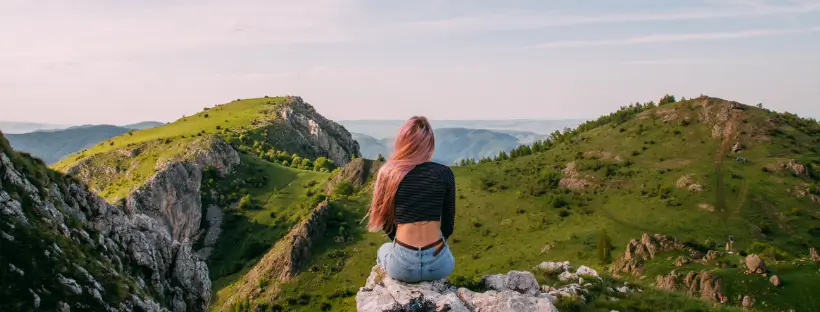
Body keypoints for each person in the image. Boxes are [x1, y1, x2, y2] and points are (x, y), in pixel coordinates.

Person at [367, 116, 456, 283]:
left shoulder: (388, 173)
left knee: (383, 250)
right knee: (445, 251)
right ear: (430, 144)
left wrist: (407, 250)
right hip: (439, 265)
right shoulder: (445, 173)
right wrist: (433, 250)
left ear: (402, 142)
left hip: (401, 266)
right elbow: (448, 227)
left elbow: (386, 224)